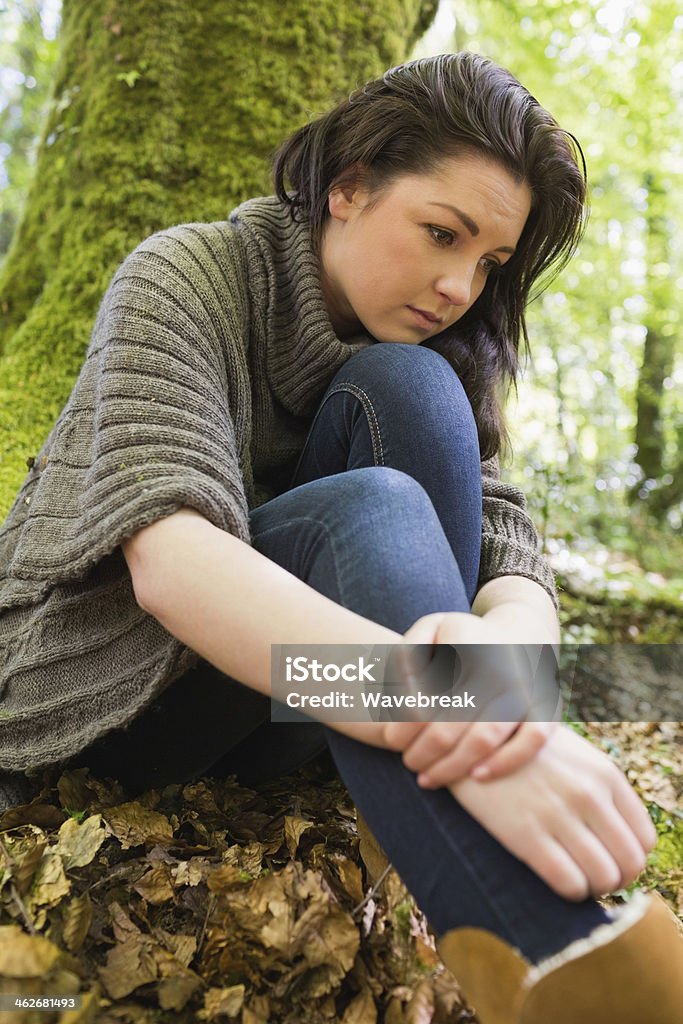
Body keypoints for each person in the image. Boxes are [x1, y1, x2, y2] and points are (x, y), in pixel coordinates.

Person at [0, 51, 681, 1022]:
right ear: (347, 188)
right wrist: (462, 711)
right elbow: (171, 564)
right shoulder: (185, 273)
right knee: (371, 507)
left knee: (418, 388)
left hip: (320, 704)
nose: (458, 284)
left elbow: (510, 556)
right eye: (439, 233)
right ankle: (551, 952)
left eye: (487, 261)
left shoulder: (431, 345)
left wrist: (496, 668)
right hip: (117, 705)